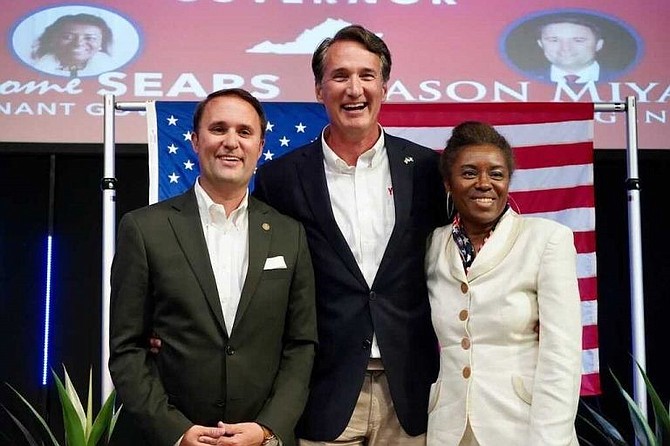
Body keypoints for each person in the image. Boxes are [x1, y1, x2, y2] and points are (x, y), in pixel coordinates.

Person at [253, 25, 448, 445]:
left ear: (385, 86)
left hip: (412, 392)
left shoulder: (428, 170)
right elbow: (262, 280)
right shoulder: (280, 178)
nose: (354, 88)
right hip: (324, 391)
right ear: (319, 89)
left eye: (366, 75)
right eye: (340, 76)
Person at [109, 88, 317, 446]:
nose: (231, 142)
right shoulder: (144, 229)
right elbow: (127, 349)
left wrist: (268, 428)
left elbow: (301, 344)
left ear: (261, 146)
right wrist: (175, 431)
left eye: (244, 132)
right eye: (218, 129)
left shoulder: (289, 234)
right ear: (194, 140)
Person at [425, 121, 582, 445]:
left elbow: (562, 356)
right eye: (469, 173)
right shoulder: (432, 245)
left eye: (496, 174)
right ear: (448, 184)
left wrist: (549, 439)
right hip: (448, 430)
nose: (484, 183)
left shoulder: (547, 240)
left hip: (523, 427)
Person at [31, 13, 115, 77]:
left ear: (101, 43)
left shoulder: (111, 72)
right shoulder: (35, 69)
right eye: (68, 37)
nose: (78, 43)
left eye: (89, 38)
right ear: (53, 40)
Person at [535, 14, 608, 84]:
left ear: (598, 45)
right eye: (554, 40)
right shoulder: (529, 81)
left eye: (578, 40)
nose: (566, 48)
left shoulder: (617, 81)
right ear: (541, 44)